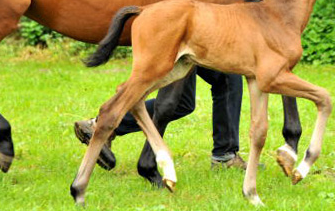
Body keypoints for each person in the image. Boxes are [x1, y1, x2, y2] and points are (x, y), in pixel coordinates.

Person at [74, 67, 246, 170]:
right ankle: (224, 156)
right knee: (225, 78)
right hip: (185, 32)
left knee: (187, 100)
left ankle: (225, 154)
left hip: (190, 28)